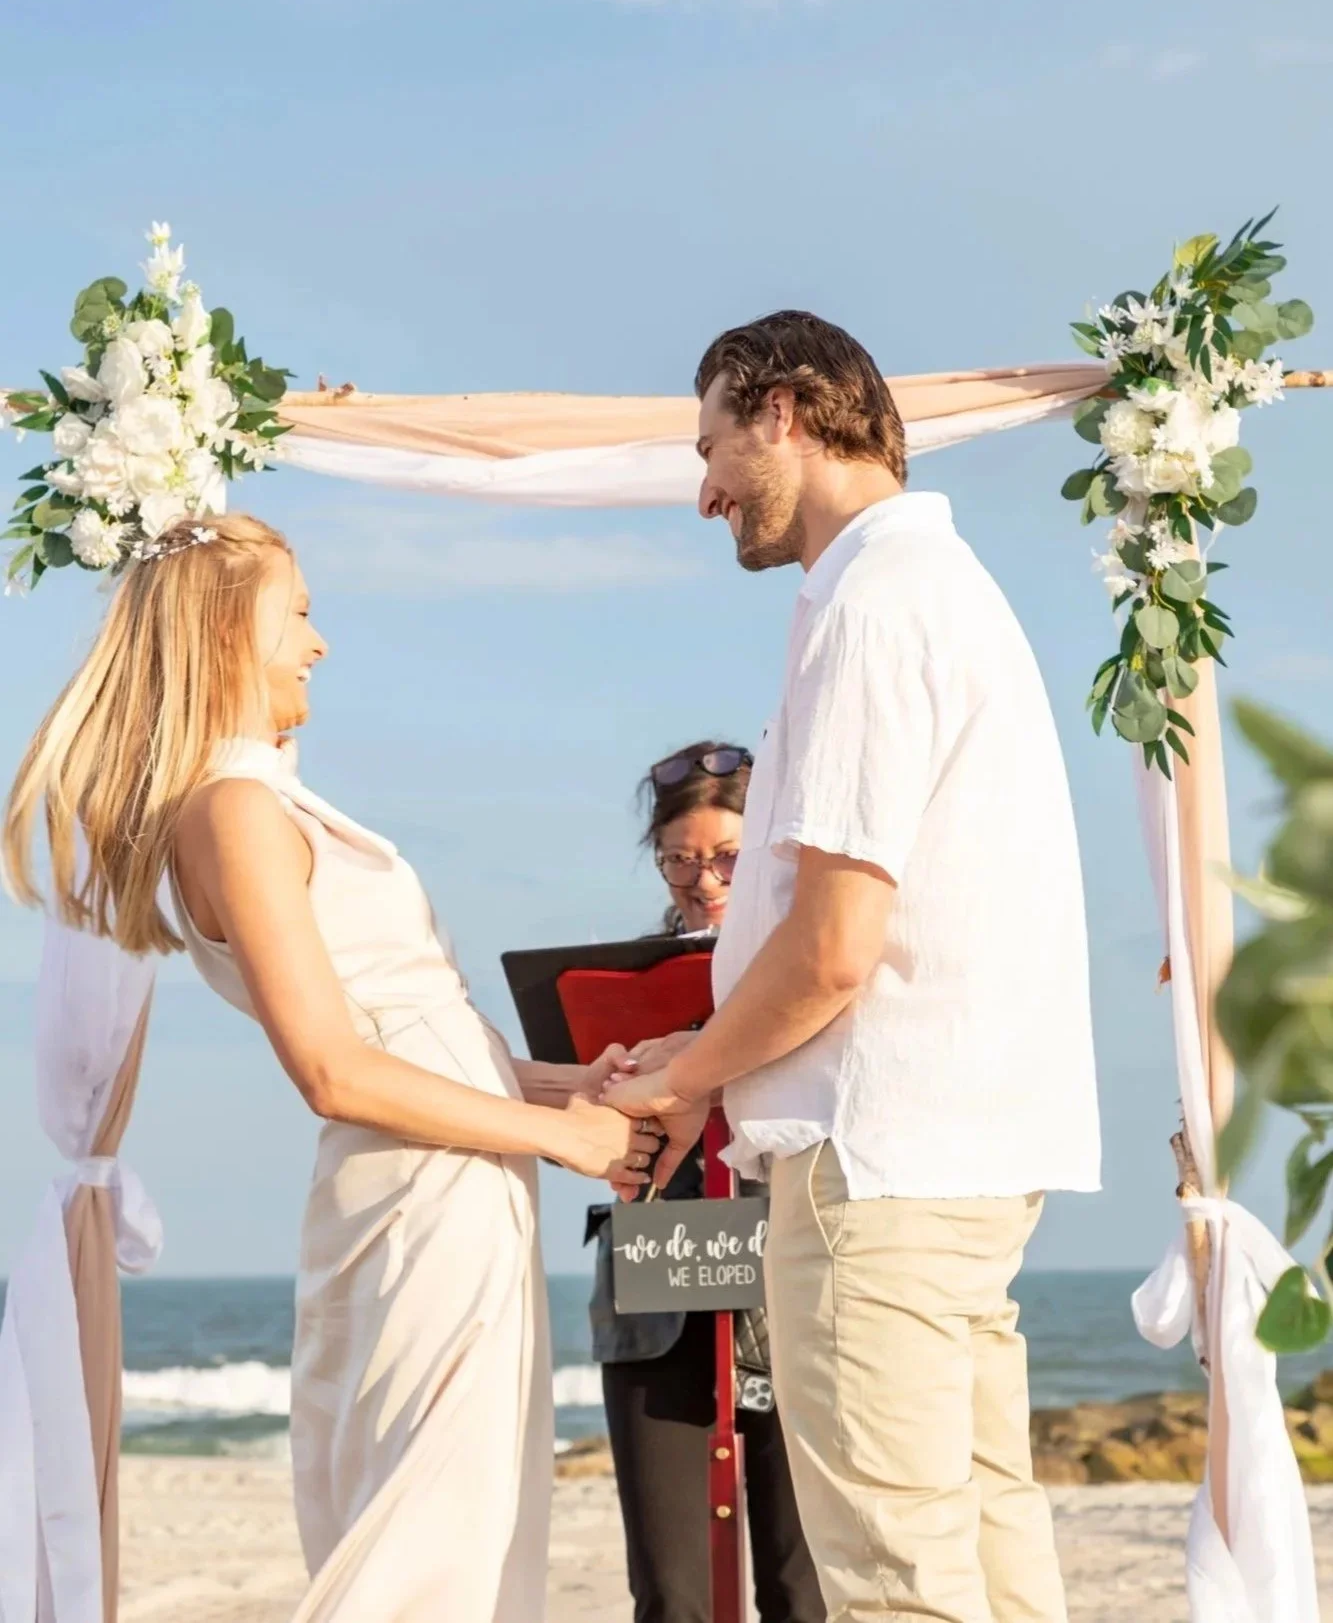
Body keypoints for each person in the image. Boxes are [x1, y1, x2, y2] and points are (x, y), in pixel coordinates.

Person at [3, 514, 659, 1623]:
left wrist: (565, 1086)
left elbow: (416, 1029)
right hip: (421, 1190)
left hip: (452, 1173)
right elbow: (331, 1066)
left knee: (469, 1526)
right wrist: (564, 1135)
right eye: (297, 612)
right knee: (425, 1546)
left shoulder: (257, 799)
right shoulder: (233, 809)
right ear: (224, 632)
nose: (319, 643)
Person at [604, 312, 1101, 1623]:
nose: (703, 487)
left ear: (781, 413)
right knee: (988, 1551)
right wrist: (700, 1054)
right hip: (959, 1156)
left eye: (709, 445)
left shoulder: (873, 605)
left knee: (894, 1582)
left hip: (870, 1165)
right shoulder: (942, 590)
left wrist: (687, 1078)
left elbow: (832, 946)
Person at [586, 742, 823, 1623]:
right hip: (659, 1285)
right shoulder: (624, 979)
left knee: (806, 1587)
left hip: (794, 1279)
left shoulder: (817, 973)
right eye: (680, 858)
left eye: (725, 856)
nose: (703, 878)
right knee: (673, 1591)